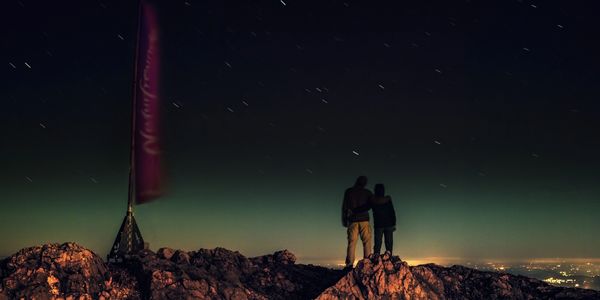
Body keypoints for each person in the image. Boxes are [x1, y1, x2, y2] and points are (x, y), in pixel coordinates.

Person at [341, 176, 373, 268]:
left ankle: (349, 264)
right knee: (366, 242)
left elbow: (344, 206)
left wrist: (344, 219)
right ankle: (367, 263)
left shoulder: (349, 191)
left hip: (352, 220)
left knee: (352, 242)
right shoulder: (367, 193)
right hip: (364, 219)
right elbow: (370, 205)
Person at [370, 183, 396, 255]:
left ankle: (376, 259)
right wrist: (394, 224)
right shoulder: (387, 199)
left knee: (378, 244)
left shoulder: (373, 200)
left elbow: (365, 207)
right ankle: (389, 259)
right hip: (389, 224)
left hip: (379, 225)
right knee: (389, 244)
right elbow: (392, 212)